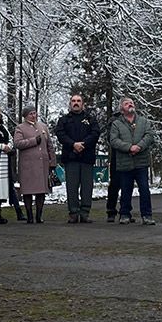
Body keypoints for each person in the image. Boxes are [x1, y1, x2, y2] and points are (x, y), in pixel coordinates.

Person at [108, 97, 156, 225]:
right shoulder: (116, 124)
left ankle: (147, 215)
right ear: (121, 108)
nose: (130, 104)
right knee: (125, 189)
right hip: (125, 161)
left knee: (144, 189)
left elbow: (150, 135)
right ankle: (124, 214)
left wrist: (139, 146)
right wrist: (129, 147)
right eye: (126, 103)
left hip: (141, 161)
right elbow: (113, 140)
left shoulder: (144, 121)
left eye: (131, 103)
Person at [54, 94, 101, 224]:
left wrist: (83, 144)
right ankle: (73, 213)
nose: (76, 103)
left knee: (87, 187)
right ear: (70, 103)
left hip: (87, 157)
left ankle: (85, 213)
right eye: (73, 101)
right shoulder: (64, 120)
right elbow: (60, 134)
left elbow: (95, 133)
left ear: (83, 104)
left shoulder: (91, 119)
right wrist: (73, 144)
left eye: (78, 101)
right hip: (71, 157)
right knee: (72, 187)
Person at [14, 105, 56, 223]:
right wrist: (33, 141)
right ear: (25, 115)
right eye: (31, 114)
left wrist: (52, 161)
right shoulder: (20, 128)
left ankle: (39, 215)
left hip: (42, 164)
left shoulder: (43, 127)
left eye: (34, 113)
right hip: (28, 165)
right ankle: (29, 216)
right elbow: (17, 143)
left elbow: (50, 145)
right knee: (28, 191)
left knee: (41, 190)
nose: (33, 115)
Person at [104, 107, 122, 223]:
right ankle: (111, 211)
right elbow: (111, 138)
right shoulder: (113, 120)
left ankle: (126, 211)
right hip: (117, 157)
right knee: (114, 184)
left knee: (128, 185)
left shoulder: (136, 119)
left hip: (131, 157)